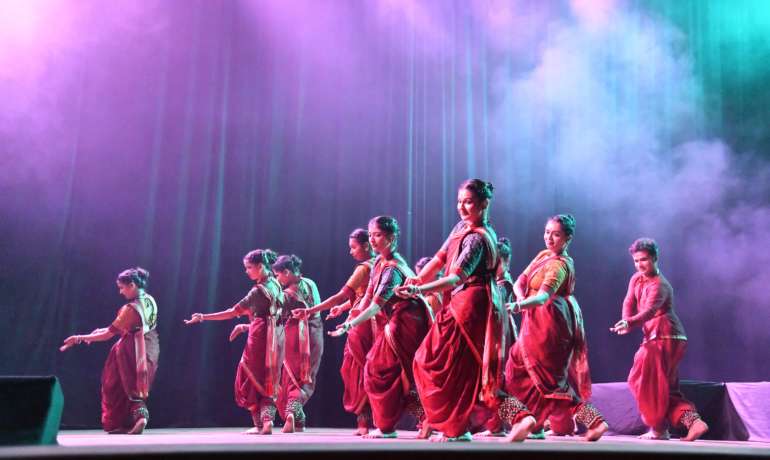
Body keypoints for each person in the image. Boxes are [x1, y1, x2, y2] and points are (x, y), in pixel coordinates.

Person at [400, 179, 533, 442]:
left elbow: (455, 278)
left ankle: (508, 420)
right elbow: (440, 258)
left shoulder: (477, 238)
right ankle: (468, 426)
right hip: (463, 300)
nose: (461, 207)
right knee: (450, 366)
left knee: (455, 366)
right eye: (459, 201)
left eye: (468, 202)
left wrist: (421, 289)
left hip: (472, 302)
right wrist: (418, 280)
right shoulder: (462, 227)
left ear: (484, 204)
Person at [504, 214, 608, 442]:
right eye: (547, 232)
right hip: (534, 321)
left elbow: (542, 297)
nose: (549, 238)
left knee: (549, 381)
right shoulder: (543, 255)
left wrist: (519, 305)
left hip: (551, 324)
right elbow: (520, 280)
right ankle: (534, 423)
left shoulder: (560, 265)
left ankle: (595, 422)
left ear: (567, 239)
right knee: (519, 373)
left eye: (556, 234)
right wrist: (521, 299)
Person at [330, 216, 432, 439]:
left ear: (391, 238)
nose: (373, 240)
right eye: (371, 235)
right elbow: (368, 296)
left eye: (378, 235)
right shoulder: (378, 262)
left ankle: (391, 426)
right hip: (395, 320)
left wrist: (351, 323)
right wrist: (352, 313)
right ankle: (420, 420)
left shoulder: (393, 269)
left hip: (407, 322)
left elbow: (377, 305)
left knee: (380, 370)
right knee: (396, 374)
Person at [611, 238, 708, 441]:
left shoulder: (660, 285)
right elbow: (629, 301)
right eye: (636, 261)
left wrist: (629, 324)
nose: (639, 265)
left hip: (664, 337)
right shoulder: (636, 279)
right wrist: (626, 320)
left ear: (655, 258)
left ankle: (658, 428)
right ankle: (694, 422)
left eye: (644, 260)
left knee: (643, 381)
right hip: (661, 338)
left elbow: (649, 311)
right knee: (665, 387)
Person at [184, 249, 284, 435]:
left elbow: (232, 312)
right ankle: (268, 420)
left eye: (249, 267)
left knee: (249, 377)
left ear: (261, 267)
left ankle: (261, 424)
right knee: (269, 376)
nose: (247, 271)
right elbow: (271, 315)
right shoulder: (277, 285)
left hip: (261, 336)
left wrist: (203, 317)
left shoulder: (257, 291)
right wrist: (245, 327)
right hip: (277, 335)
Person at [293, 228, 376, 435]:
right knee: (375, 370)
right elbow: (366, 295)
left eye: (353, 247)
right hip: (378, 321)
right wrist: (343, 308)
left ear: (366, 246)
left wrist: (310, 310)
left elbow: (342, 295)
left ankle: (364, 423)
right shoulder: (382, 265)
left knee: (356, 370)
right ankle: (387, 421)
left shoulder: (364, 268)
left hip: (362, 324)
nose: (351, 252)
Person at [60, 267, 159, 435]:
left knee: (116, 384)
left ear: (132, 285)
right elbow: (128, 327)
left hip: (131, 350)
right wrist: (98, 331)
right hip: (149, 346)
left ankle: (140, 417)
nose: (121, 292)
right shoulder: (149, 300)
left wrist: (78, 338)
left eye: (122, 287)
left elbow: (108, 335)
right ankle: (127, 423)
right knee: (129, 384)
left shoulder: (130, 308)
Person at [273, 254, 324, 433]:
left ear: (286, 272)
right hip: (315, 333)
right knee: (306, 376)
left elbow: (274, 317)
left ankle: (291, 413)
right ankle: (298, 418)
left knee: (290, 377)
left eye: (277, 275)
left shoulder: (286, 294)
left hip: (295, 335)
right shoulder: (311, 283)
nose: (277, 279)